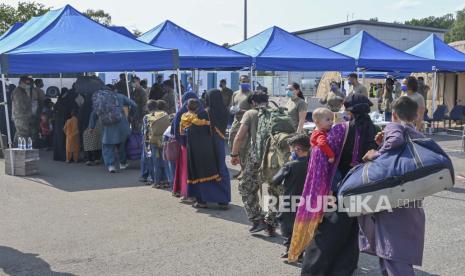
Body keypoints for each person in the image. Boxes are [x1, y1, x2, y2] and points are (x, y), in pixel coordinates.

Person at [299, 94, 378, 274]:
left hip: (340, 189)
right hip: (363, 188)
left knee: (327, 234)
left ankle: (313, 271)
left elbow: (323, 156)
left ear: (349, 110)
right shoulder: (374, 129)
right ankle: (342, 270)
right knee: (351, 233)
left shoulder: (341, 129)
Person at [361, 96, 425, 276]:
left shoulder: (394, 127)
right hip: (410, 196)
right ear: (415, 116)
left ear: (394, 114)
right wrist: (383, 145)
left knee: (391, 250)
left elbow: (395, 142)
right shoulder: (417, 134)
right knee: (399, 249)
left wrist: (375, 154)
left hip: (393, 198)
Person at [230, 91, 270, 233]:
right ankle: (272, 222)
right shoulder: (277, 112)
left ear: (252, 102)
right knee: (274, 189)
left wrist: (234, 154)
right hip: (276, 156)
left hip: (257, 156)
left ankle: (257, 219)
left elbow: (239, 137)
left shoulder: (251, 114)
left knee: (245, 187)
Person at [186, 89, 231, 209]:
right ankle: (223, 200)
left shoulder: (205, 113)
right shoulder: (225, 111)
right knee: (221, 170)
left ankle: (202, 201)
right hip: (220, 145)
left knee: (206, 170)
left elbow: (193, 130)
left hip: (208, 147)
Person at [271, 134, 310, 258]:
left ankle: (289, 249)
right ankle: (300, 251)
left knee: (287, 225)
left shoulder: (290, 165)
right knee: (303, 225)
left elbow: (275, 180)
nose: (291, 151)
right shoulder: (313, 165)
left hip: (290, 200)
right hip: (308, 201)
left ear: (297, 149)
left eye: (292, 149)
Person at [89, 87, 136, 173]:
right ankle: (122, 163)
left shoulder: (100, 99)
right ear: (114, 90)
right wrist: (132, 115)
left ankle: (111, 166)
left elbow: (94, 114)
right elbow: (134, 104)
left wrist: (91, 127)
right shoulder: (120, 96)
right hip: (122, 126)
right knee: (122, 146)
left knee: (107, 146)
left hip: (107, 127)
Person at [172, 92, 200, 198]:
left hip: (185, 146)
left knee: (184, 169)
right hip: (198, 146)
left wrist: (182, 143)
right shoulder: (201, 111)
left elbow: (176, 131)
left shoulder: (180, 113)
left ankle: (184, 191)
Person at [229, 75, 252, 177]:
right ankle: (241, 167)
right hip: (236, 121)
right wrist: (232, 109)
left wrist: (241, 110)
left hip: (246, 123)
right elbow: (231, 106)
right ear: (239, 82)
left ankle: (244, 170)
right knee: (232, 143)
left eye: (247, 81)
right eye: (243, 81)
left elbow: (254, 111)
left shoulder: (251, 95)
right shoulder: (235, 94)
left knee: (243, 147)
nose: (245, 83)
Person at [53, 88, 78, 161]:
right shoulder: (69, 100)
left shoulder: (60, 100)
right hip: (66, 121)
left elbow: (55, 109)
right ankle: (66, 157)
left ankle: (59, 156)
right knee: (65, 140)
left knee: (59, 139)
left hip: (59, 121)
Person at [11, 76, 33, 145]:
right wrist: (28, 110)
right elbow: (20, 104)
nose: (28, 85)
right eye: (26, 83)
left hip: (23, 116)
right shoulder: (18, 91)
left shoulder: (23, 91)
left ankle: (16, 146)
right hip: (20, 116)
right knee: (23, 133)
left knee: (20, 133)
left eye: (29, 83)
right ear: (21, 83)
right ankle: (20, 148)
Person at [31, 79, 46, 145]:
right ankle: (35, 142)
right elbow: (39, 101)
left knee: (37, 127)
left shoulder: (34, 90)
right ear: (39, 83)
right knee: (37, 128)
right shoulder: (38, 90)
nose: (43, 84)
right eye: (42, 82)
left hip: (36, 112)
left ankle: (35, 141)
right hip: (38, 112)